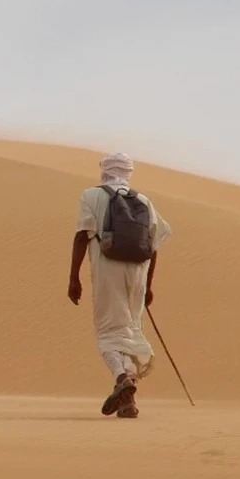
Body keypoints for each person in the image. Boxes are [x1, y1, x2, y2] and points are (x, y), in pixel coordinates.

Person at [67, 152, 172, 418]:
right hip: (138, 271)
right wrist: (148, 287)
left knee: (107, 331)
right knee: (130, 328)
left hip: (107, 269)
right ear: (127, 173)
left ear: (104, 171)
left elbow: (81, 237)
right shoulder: (143, 201)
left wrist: (73, 278)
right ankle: (128, 403)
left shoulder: (90, 195)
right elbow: (154, 246)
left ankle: (122, 376)